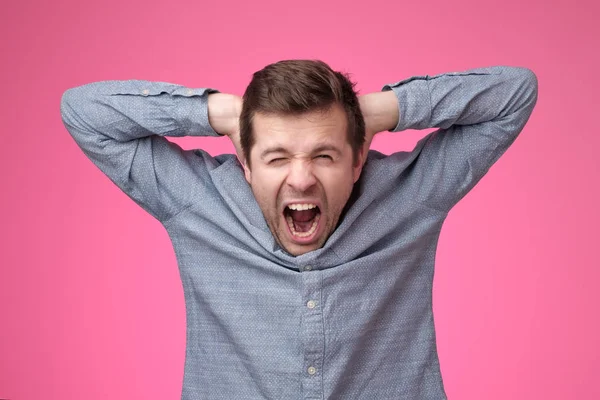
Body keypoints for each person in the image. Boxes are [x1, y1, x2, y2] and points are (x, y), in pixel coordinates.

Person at [60, 59, 538, 399]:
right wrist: (223, 112)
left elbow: (515, 92)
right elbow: (83, 112)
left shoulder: (410, 196)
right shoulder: (197, 198)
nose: (302, 177)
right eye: (277, 156)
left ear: (357, 160)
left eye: (325, 154)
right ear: (245, 163)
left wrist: (379, 111)